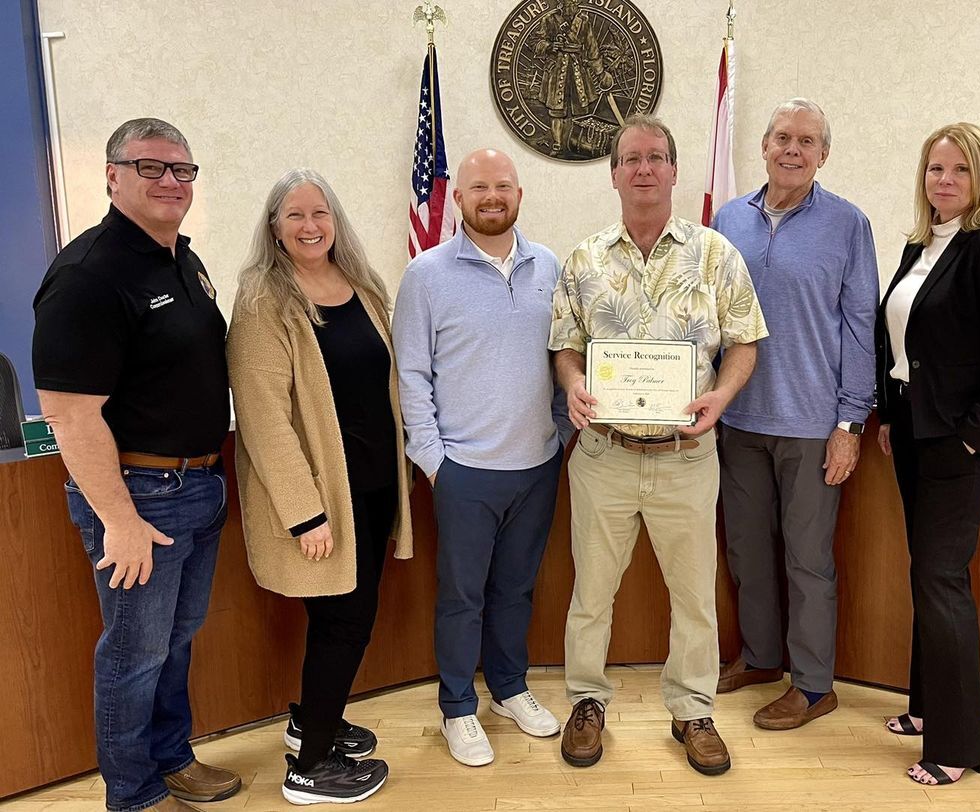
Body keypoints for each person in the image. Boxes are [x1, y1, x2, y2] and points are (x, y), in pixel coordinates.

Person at [550, 114, 768, 776]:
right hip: (604, 457)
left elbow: (745, 343)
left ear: (674, 170)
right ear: (613, 174)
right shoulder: (583, 258)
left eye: (656, 157)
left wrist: (722, 398)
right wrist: (573, 385)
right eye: (630, 159)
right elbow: (566, 345)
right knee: (592, 593)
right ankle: (587, 702)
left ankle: (692, 711)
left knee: (695, 596)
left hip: (687, 458)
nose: (643, 168)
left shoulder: (715, 254)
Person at [32, 118, 238, 812]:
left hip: (200, 485)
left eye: (182, 170)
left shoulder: (183, 258)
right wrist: (117, 518)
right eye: (150, 168)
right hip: (140, 497)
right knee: (133, 654)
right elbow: (67, 412)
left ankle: (172, 759)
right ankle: (134, 794)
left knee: (175, 643)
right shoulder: (90, 274)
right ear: (113, 176)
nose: (170, 182)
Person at [227, 169, 413, 804]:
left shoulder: (362, 286)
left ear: (335, 220)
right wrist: (305, 515)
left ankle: (314, 722)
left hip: (372, 490)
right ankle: (310, 769)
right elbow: (263, 418)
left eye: (320, 213)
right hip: (320, 500)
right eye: (295, 216)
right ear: (274, 228)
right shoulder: (263, 300)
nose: (310, 226)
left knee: (344, 619)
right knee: (345, 623)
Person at [393, 148, 572, 767]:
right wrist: (434, 459)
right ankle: (457, 708)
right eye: (478, 188)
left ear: (519, 194)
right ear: (460, 198)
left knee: (516, 591)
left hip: (537, 465)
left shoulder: (549, 265)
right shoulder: (426, 275)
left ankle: (509, 689)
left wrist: (557, 437)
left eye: (502, 186)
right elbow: (411, 374)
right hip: (463, 471)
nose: (491, 196)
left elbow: (564, 358)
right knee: (461, 597)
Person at [875, 123, 980, 786]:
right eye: (935, 169)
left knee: (941, 577)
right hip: (915, 429)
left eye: (959, 171)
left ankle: (961, 744)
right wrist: (891, 416)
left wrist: (976, 434)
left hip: (965, 441)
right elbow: (901, 344)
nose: (944, 181)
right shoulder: (921, 244)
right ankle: (925, 709)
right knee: (925, 570)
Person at [710, 98, 879, 729]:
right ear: (763, 145)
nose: (792, 149)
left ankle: (812, 685)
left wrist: (849, 422)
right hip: (738, 421)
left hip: (812, 426)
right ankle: (759, 658)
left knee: (809, 562)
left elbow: (861, 327)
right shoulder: (729, 218)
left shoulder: (847, 224)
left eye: (806, 141)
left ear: (823, 155)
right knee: (747, 551)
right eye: (783, 137)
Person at [534, 0, 611, 156]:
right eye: (567, 3)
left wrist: (600, 73)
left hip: (578, 71)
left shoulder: (584, 21)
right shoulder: (549, 19)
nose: (570, 7)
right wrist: (550, 46)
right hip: (556, 70)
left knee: (581, 109)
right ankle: (557, 145)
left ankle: (580, 141)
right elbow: (537, 42)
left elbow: (592, 49)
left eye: (573, 3)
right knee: (556, 110)